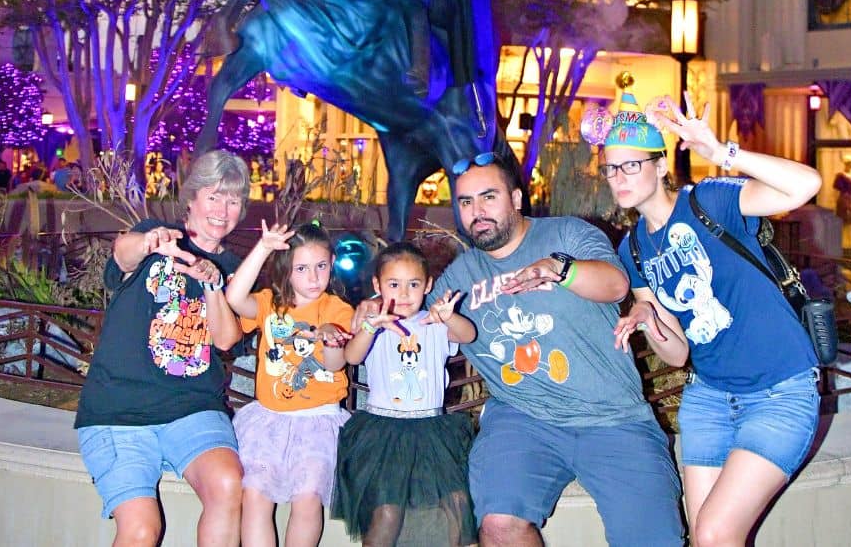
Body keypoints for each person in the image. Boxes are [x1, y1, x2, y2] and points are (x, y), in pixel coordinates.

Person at [430, 152, 683, 547]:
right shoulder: (460, 277)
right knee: (498, 526)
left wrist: (558, 269)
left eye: (488, 197)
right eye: (465, 202)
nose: (477, 211)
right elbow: (412, 321)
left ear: (515, 199)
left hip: (614, 418)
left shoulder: (566, 234)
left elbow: (616, 286)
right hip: (524, 419)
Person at [605, 90, 822, 547]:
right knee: (707, 540)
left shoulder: (709, 201)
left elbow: (805, 186)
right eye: (610, 168)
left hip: (780, 391)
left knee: (715, 533)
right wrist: (646, 317)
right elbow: (679, 351)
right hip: (709, 400)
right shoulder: (635, 250)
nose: (618, 177)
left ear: (660, 166)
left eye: (630, 165)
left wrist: (721, 152)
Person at [75, 150, 249, 547]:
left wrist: (213, 284)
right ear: (191, 199)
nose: (223, 210)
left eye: (234, 200)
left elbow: (225, 339)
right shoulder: (158, 236)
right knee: (140, 530)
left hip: (191, 407)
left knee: (228, 483)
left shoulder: (236, 269)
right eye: (214, 196)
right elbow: (123, 253)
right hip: (119, 409)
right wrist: (149, 241)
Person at [333, 242, 478, 547]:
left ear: (428, 285)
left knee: (455, 505)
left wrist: (448, 316)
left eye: (413, 284)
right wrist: (369, 329)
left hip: (431, 430)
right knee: (386, 512)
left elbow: (468, 335)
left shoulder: (435, 324)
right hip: (384, 430)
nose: (404, 293)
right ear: (377, 285)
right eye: (393, 284)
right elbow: (353, 356)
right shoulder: (375, 324)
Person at [225, 221, 354, 547]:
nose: (313, 278)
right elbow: (235, 297)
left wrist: (332, 341)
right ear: (286, 270)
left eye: (321, 266)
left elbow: (336, 364)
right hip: (269, 421)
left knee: (308, 499)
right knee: (254, 496)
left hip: (318, 422)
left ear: (332, 265)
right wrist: (264, 247)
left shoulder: (337, 309)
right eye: (302, 268)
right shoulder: (270, 303)